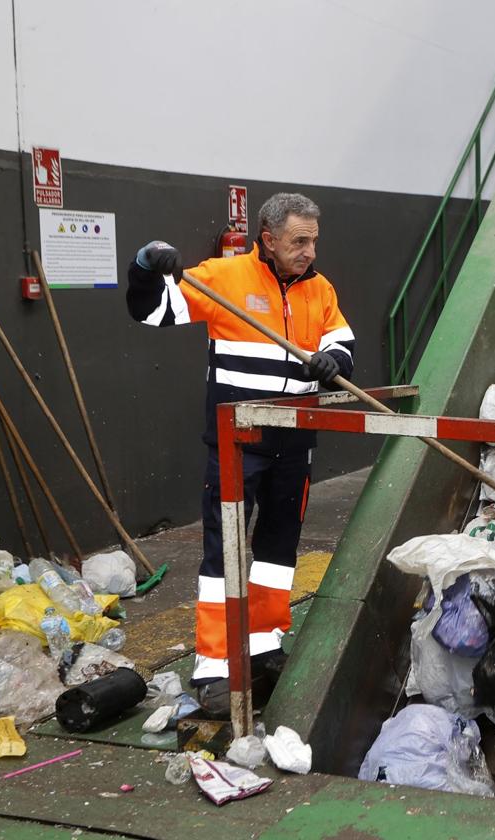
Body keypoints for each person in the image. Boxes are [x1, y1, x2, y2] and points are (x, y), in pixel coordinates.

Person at [125, 193, 354, 715]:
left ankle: (262, 645)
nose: (309, 251)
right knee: (223, 551)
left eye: (314, 240)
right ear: (268, 240)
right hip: (238, 444)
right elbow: (152, 311)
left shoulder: (320, 289)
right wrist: (145, 265)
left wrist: (331, 360)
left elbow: (343, 339)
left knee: (277, 551)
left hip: (295, 442)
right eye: (299, 241)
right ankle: (215, 662)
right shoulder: (224, 279)